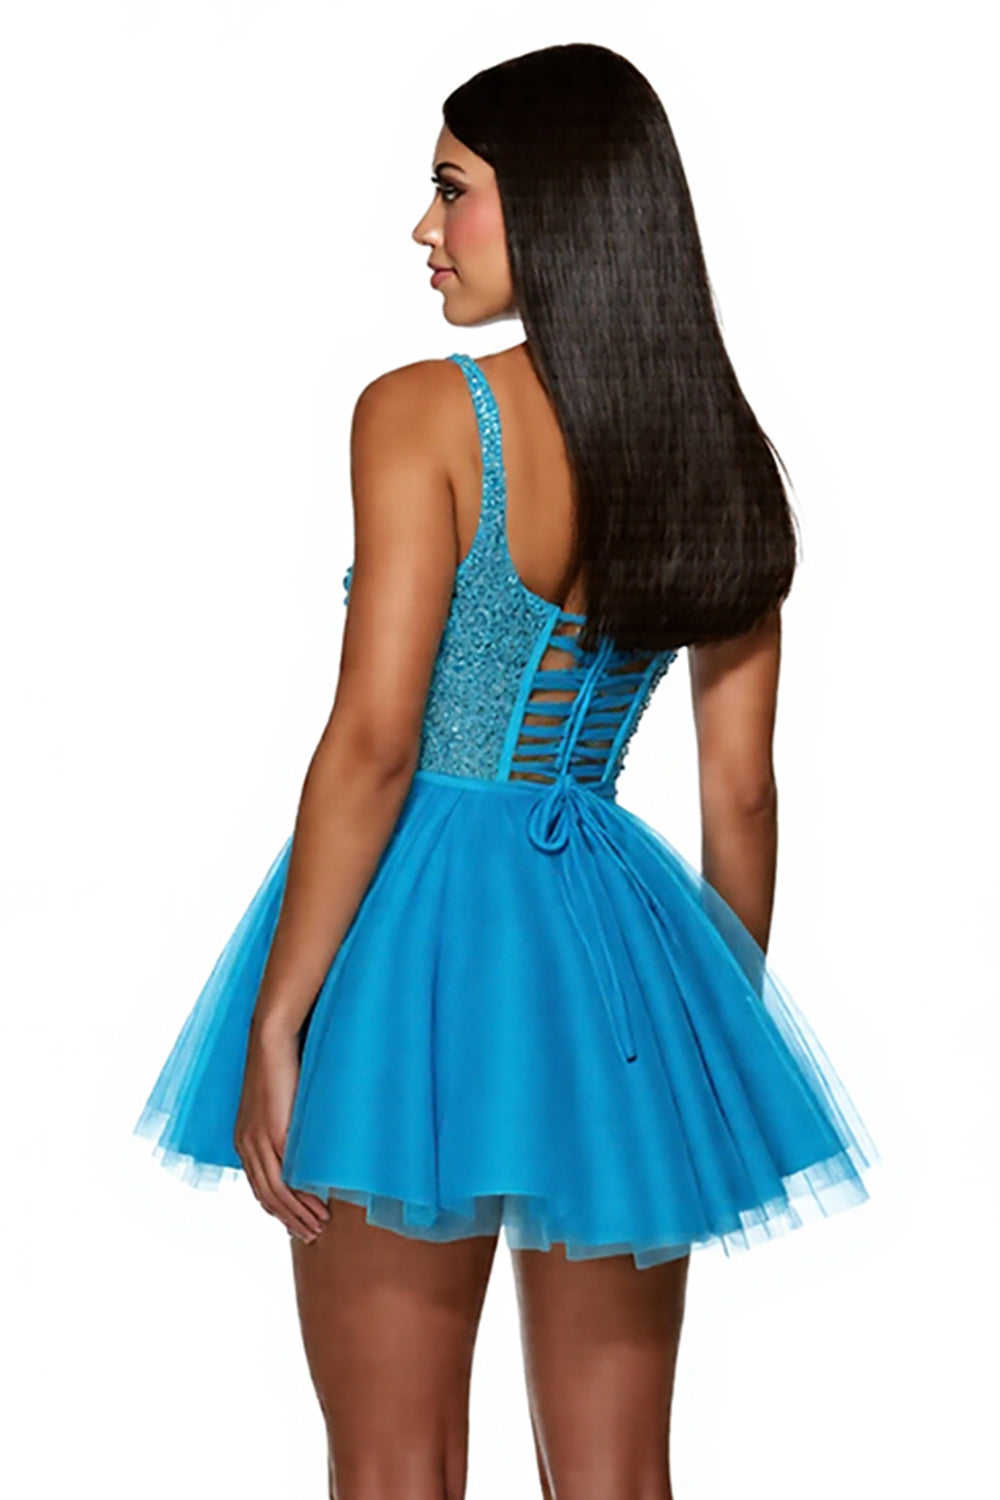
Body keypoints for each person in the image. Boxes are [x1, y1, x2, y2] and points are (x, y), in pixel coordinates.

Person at [133, 42, 879, 1500]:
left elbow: (376, 743)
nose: (425, 227)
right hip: (613, 965)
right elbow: (741, 794)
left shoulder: (424, 412)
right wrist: (709, 1038)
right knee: (619, 1476)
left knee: (395, 1462)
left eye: (451, 188)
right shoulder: (721, 456)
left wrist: (280, 1014)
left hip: (409, 944)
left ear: (552, 204)